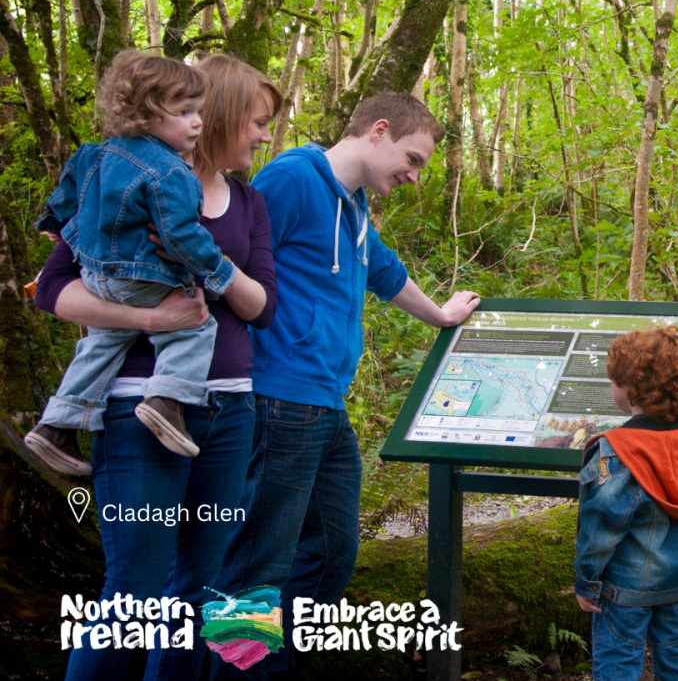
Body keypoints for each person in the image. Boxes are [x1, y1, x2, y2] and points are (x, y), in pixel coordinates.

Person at [210, 92, 480, 679]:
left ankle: (272, 667)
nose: (413, 176)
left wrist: (441, 316)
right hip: (278, 397)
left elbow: (385, 272)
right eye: (412, 159)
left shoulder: (353, 206)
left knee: (331, 553)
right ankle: (237, 670)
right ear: (378, 131)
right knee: (256, 565)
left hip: (327, 408)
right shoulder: (291, 179)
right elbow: (229, 261)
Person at [34, 53, 283, 681]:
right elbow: (53, 289)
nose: (264, 136)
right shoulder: (123, 185)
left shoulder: (248, 202)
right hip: (137, 409)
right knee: (135, 591)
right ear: (217, 114)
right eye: (258, 121)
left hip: (228, 409)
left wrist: (208, 264)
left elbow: (262, 307)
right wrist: (150, 317)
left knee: (199, 587)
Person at [27, 51, 240, 472]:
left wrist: (56, 224)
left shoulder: (96, 154)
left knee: (103, 342)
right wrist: (218, 271)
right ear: (142, 116)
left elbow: (69, 191)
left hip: (95, 276)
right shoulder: (171, 172)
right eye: (184, 112)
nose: (197, 122)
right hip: (143, 276)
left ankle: (56, 425)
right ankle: (168, 401)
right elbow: (180, 235)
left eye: (199, 111)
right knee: (195, 327)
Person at [575, 326, 678, 681]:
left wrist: (587, 581)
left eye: (613, 381)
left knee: (618, 661)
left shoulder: (616, 452)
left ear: (630, 389)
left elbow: (600, 529)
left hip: (625, 587)